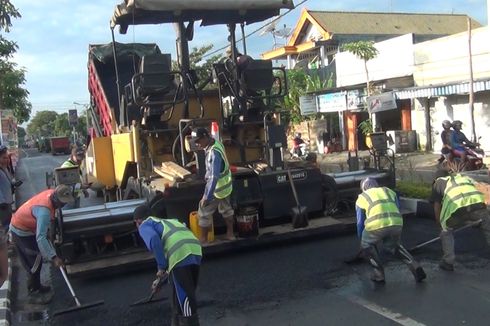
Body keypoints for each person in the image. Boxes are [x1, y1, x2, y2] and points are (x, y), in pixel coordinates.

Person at [133, 204, 202, 326]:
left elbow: (154, 239)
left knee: (186, 299)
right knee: (183, 292)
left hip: (180, 254)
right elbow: (174, 268)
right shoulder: (168, 221)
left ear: (138, 221)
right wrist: (161, 281)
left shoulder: (145, 225)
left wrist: (161, 267)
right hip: (195, 250)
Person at [10, 185, 74, 304]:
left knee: (37, 258)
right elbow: (41, 238)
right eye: (62, 203)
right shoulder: (44, 211)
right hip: (21, 231)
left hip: (28, 227)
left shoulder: (52, 193)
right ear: (56, 200)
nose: (64, 205)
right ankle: (33, 293)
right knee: (34, 261)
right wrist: (54, 257)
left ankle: (37, 286)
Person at [355, 177, 426, 283]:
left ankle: (379, 275)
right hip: (396, 223)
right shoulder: (388, 191)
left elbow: (360, 222)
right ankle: (415, 266)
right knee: (394, 246)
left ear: (363, 188)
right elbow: (396, 207)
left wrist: (361, 241)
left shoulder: (362, 197)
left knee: (367, 244)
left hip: (376, 225)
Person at [430, 168, 490, 271]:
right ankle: (474, 222)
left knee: (446, 231)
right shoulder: (463, 178)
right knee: (487, 227)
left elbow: (437, 206)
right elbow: (479, 189)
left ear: (437, 178)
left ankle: (448, 262)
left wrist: (440, 224)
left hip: (457, 209)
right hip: (477, 205)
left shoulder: (439, 182)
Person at [191, 127, 235, 243]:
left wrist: (207, 196)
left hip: (216, 187)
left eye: (198, 141)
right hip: (225, 185)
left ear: (205, 137)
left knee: (204, 210)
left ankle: (203, 239)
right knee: (226, 209)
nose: (197, 144)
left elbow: (214, 176)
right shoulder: (217, 144)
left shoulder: (214, 152)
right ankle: (230, 234)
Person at [0, 145, 13, 287]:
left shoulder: (4, 169)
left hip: (6, 204)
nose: (6, 160)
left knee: (5, 227)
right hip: (2, 206)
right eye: (4, 158)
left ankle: (6, 243)